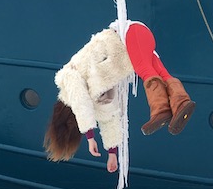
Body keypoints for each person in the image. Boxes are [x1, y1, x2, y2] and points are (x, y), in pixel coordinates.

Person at [43, 21, 195, 173]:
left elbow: (80, 103)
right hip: (137, 44)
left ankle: (160, 110)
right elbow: (109, 116)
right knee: (163, 75)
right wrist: (112, 154)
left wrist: (90, 137)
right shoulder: (95, 96)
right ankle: (181, 104)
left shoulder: (67, 78)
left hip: (129, 34)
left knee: (145, 70)